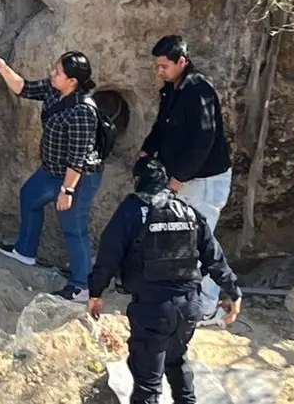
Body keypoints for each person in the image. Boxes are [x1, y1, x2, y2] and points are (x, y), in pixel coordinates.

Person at [87, 158, 243, 404]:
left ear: (138, 182)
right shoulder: (190, 212)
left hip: (153, 309)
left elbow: (109, 257)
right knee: (176, 361)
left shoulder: (133, 211)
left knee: (148, 386)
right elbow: (215, 258)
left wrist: (95, 293)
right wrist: (232, 292)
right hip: (189, 308)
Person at [0, 51, 106, 301]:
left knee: (73, 228)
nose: (52, 73)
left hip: (77, 178)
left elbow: (78, 157)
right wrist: (3, 68)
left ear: (72, 81)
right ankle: (25, 250)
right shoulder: (54, 90)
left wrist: (67, 191)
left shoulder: (83, 111)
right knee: (30, 196)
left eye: (58, 71)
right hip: (51, 170)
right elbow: (25, 88)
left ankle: (81, 286)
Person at [139, 34, 233, 324]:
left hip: (203, 180)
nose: (160, 71)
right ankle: (185, 297)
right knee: (180, 240)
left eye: (164, 66)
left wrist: (180, 175)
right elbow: (163, 125)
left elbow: (204, 139)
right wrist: (147, 150)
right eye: (157, 66)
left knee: (201, 241)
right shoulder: (172, 89)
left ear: (182, 61)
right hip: (181, 177)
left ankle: (207, 306)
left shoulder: (198, 91)